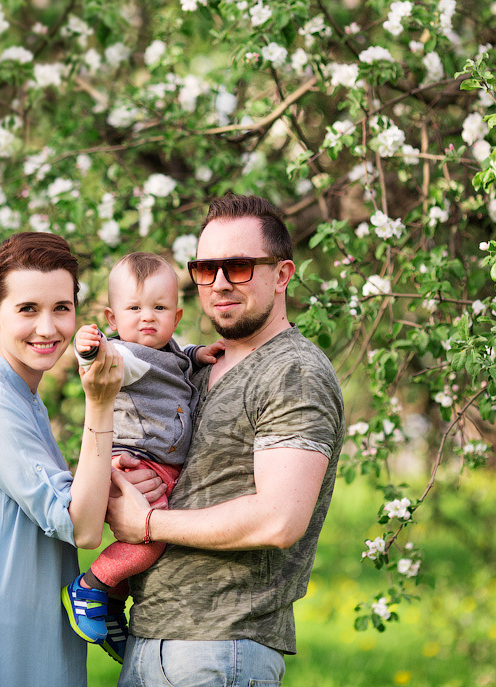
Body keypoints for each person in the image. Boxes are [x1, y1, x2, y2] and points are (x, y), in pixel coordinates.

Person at [106, 194, 345, 686]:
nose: (218, 283)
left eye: (238, 266)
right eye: (205, 268)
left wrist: (148, 522)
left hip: (220, 649)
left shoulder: (293, 371)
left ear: (282, 275)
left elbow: (279, 519)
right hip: (153, 638)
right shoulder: (192, 368)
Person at [0, 232, 166, 687]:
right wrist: (100, 403)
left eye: (61, 308)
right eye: (28, 309)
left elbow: (58, 499)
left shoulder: (24, 399)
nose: (48, 328)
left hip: (30, 651)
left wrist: (113, 480)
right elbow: (80, 527)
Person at [62, 252, 222, 664]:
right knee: (152, 542)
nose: (147, 317)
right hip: (135, 461)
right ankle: (91, 586)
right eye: (134, 309)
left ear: (176, 316)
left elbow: (178, 358)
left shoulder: (169, 350)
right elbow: (104, 361)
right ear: (112, 318)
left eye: (159, 308)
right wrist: (88, 348)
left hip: (159, 464)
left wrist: (199, 354)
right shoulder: (127, 356)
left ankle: (112, 607)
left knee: (146, 544)